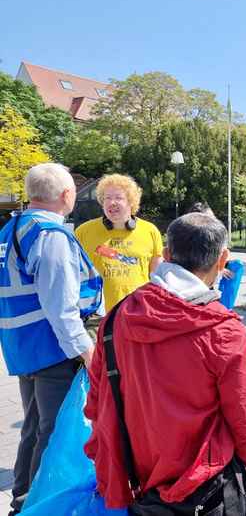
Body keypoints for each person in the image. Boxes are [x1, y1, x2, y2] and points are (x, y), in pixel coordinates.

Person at [84, 212, 246, 512]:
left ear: (166, 254)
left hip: (139, 483)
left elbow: (96, 404)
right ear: (222, 258)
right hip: (205, 487)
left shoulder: (117, 317)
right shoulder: (223, 331)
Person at [0, 163, 102, 515]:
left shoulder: (14, 228)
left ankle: (21, 499)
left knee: (33, 425)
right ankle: (37, 504)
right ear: (67, 195)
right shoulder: (51, 236)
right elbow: (61, 306)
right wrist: (85, 351)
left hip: (24, 345)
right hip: (52, 347)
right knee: (52, 430)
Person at [75, 174, 163, 312]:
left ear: (131, 202)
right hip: (97, 316)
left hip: (138, 313)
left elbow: (158, 279)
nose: (112, 203)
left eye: (118, 198)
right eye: (107, 198)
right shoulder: (83, 232)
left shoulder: (150, 231)